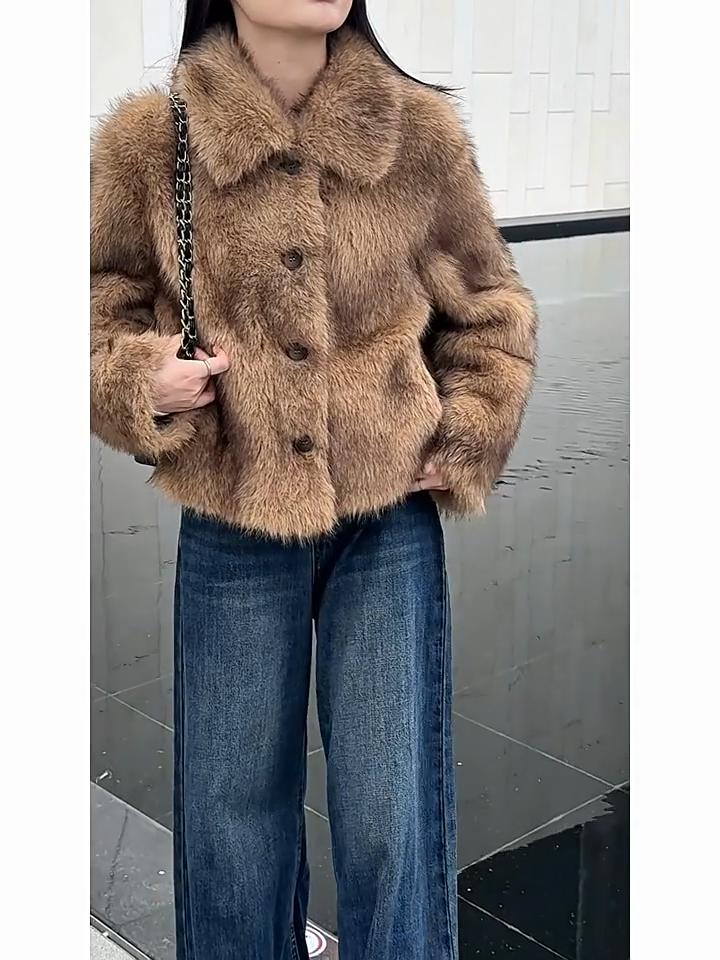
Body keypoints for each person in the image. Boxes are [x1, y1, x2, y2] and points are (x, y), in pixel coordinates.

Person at [90, 1, 537, 957]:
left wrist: (467, 429)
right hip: (233, 515)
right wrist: (137, 379)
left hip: (387, 521)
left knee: (392, 805)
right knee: (229, 812)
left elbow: (489, 306)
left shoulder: (419, 133)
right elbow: (94, 306)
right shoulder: (152, 141)